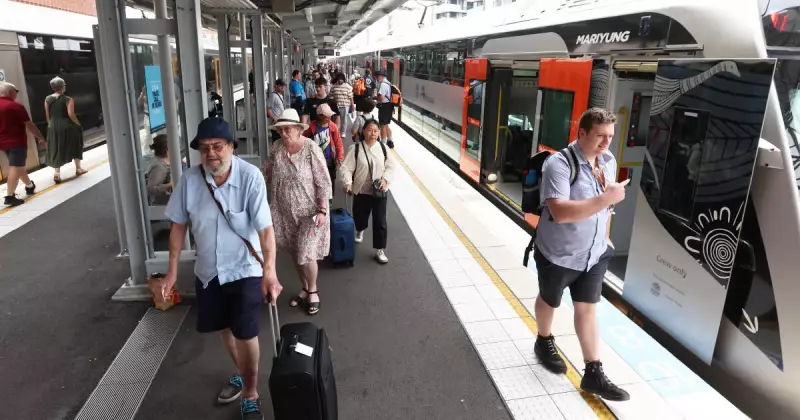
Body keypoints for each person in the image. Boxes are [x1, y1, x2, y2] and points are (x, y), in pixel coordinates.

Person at [162, 117, 282, 419]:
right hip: (209, 271)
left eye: (217, 146)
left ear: (231, 146)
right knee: (224, 328)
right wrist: (172, 271)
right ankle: (243, 372)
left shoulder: (251, 177)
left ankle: (251, 393)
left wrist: (270, 272)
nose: (211, 153)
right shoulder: (190, 181)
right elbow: (178, 226)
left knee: (245, 331)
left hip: (244, 269)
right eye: (204, 148)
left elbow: (266, 230)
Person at [533, 108, 631, 402]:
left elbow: (606, 208)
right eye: (600, 135)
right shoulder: (559, 164)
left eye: (610, 136)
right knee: (550, 299)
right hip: (558, 254)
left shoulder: (608, 161)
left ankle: (593, 372)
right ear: (582, 132)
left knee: (587, 308)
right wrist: (607, 198)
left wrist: (606, 239)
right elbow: (560, 212)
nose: (606, 142)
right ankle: (543, 340)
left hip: (595, 254)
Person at [263, 109, 331, 316]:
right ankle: (305, 287)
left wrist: (322, 209)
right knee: (295, 251)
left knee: (306, 252)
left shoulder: (310, 148)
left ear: (298, 129)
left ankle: (313, 290)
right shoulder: (276, 148)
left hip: (310, 212)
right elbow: (265, 173)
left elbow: (323, 181)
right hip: (283, 212)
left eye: (288, 129)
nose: (283, 133)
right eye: (280, 130)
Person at [340, 118, 396, 264]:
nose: (373, 134)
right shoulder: (356, 149)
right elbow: (346, 168)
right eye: (370, 130)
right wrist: (347, 182)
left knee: (380, 221)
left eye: (376, 131)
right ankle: (360, 229)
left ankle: (380, 249)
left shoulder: (384, 149)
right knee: (360, 217)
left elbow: (391, 167)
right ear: (364, 131)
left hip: (379, 191)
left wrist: (385, 179)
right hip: (361, 191)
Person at [0, 82, 44, 206]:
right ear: (10, 92)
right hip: (16, 142)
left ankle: (29, 185)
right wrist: (40, 138)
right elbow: (30, 125)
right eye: (16, 91)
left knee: (18, 166)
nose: (16, 94)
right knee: (15, 167)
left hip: (2, 143)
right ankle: (10, 196)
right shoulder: (16, 106)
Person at [44, 76, 86, 183]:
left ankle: (57, 173)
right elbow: (71, 114)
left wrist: (51, 125)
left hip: (53, 126)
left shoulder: (47, 99)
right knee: (75, 144)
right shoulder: (68, 99)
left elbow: (47, 115)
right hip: (68, 125)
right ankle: (78, 169)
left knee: (56, 147)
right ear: (63, 86)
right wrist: (78, 124)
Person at [303, 103, 344, 196]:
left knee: (330, 180)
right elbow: (303, 138)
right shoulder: (312, 126)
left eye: (330, 115)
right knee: (315, 180)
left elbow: (339, 143)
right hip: (315, 160)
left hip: (329, 160)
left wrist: (340, 157)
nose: (329, 117)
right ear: (319, 116)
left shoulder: (333, 127)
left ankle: (329, 198)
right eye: (327, 116)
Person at [146, 134, 172, 206]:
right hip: (162, 208)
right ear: (166, 149)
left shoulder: (166, 160)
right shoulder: (159, 167)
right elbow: (151, 189)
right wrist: (171, 184)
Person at [329, 73, 354, 138]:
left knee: (344, 120)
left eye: (341, 79)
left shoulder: (347, 87)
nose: (340, 80)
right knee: (335, 120)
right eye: (339, 79)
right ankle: (335, 132)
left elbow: (351, 97)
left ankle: (343, 132)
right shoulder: (334, 86)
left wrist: (352, 105)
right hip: (335, 106)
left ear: (343, 79)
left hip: (345, 106)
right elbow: (330, 96)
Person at [374, 71, 395, 148]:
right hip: (390, 106)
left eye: (377, 77)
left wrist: (375, 98)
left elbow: (381, 98)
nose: (376, 79)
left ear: (381, 76)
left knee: (382, 125)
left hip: (384, 106)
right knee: (386, 125)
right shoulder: (388, 83)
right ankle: (390, 141)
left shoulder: (383, 84)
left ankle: (382, 144)